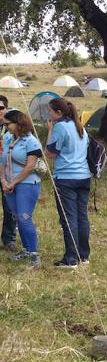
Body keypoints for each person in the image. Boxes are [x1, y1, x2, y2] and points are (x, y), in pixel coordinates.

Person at [45, 98, 92, 268]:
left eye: (50, 111)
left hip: (66, 178)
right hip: (84, 177)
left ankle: (71, 259)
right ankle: (84, 256)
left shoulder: (60, 127)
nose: (48, 114)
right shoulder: (79, 126)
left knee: (68, 218)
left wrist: (50, 130)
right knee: (82, 216)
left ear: (58, 113)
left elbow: (50, 153)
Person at [0, 110, 43, 268]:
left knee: (25, 218)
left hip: (27, 184)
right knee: (17, 218)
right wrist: (3, 180)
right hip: (9, 184)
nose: (6, 127)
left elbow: (30, 166)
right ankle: (25, 250)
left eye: (8, 124)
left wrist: (14, 182)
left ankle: (34, 255)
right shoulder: (7, 138)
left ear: (18, 123)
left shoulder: (31, 141)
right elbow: (2, 160)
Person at [0, 95, 17, 252]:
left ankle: (9, 238)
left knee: (10, 205)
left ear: (6, 108)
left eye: (0, 108)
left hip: (7, 170)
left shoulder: (12, 125)